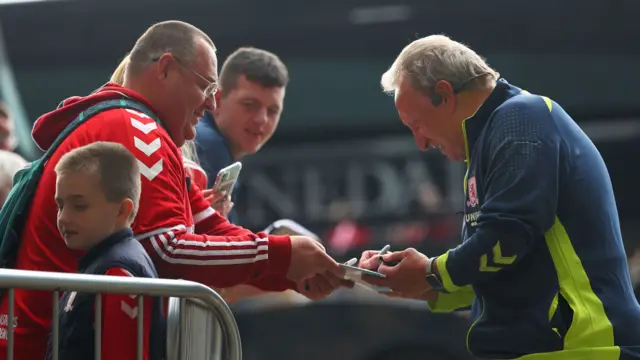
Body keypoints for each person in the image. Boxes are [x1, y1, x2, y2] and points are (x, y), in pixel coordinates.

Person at [0, 21, 346, 360]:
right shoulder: (135, 127)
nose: (212, 105)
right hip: (53, 346)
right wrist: (281, 255)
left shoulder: (139, 128)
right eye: (206, 88)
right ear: (165, 68)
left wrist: (291, 270)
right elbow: (165, 250)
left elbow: (212, 228)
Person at [359, 35, 640, 359]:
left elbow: (508, 236)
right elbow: (497, 268)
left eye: (417, 124)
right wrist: (418, 284)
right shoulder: (494, 140)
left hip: (579, 348)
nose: (420, 143)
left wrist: (431, 272)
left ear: (444, 94)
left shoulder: (521, 117)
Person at [45, 142, 163, 360]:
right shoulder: (99, 263)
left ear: (121, 210)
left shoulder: (118, 274)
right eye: (60, 205)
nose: (64, 218)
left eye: (79, 206)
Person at [195, 46, 288, 223]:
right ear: (218, 100)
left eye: (273, 110)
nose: (262, 119)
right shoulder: (210, 147)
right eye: (249, 105)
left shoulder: (207, 140)